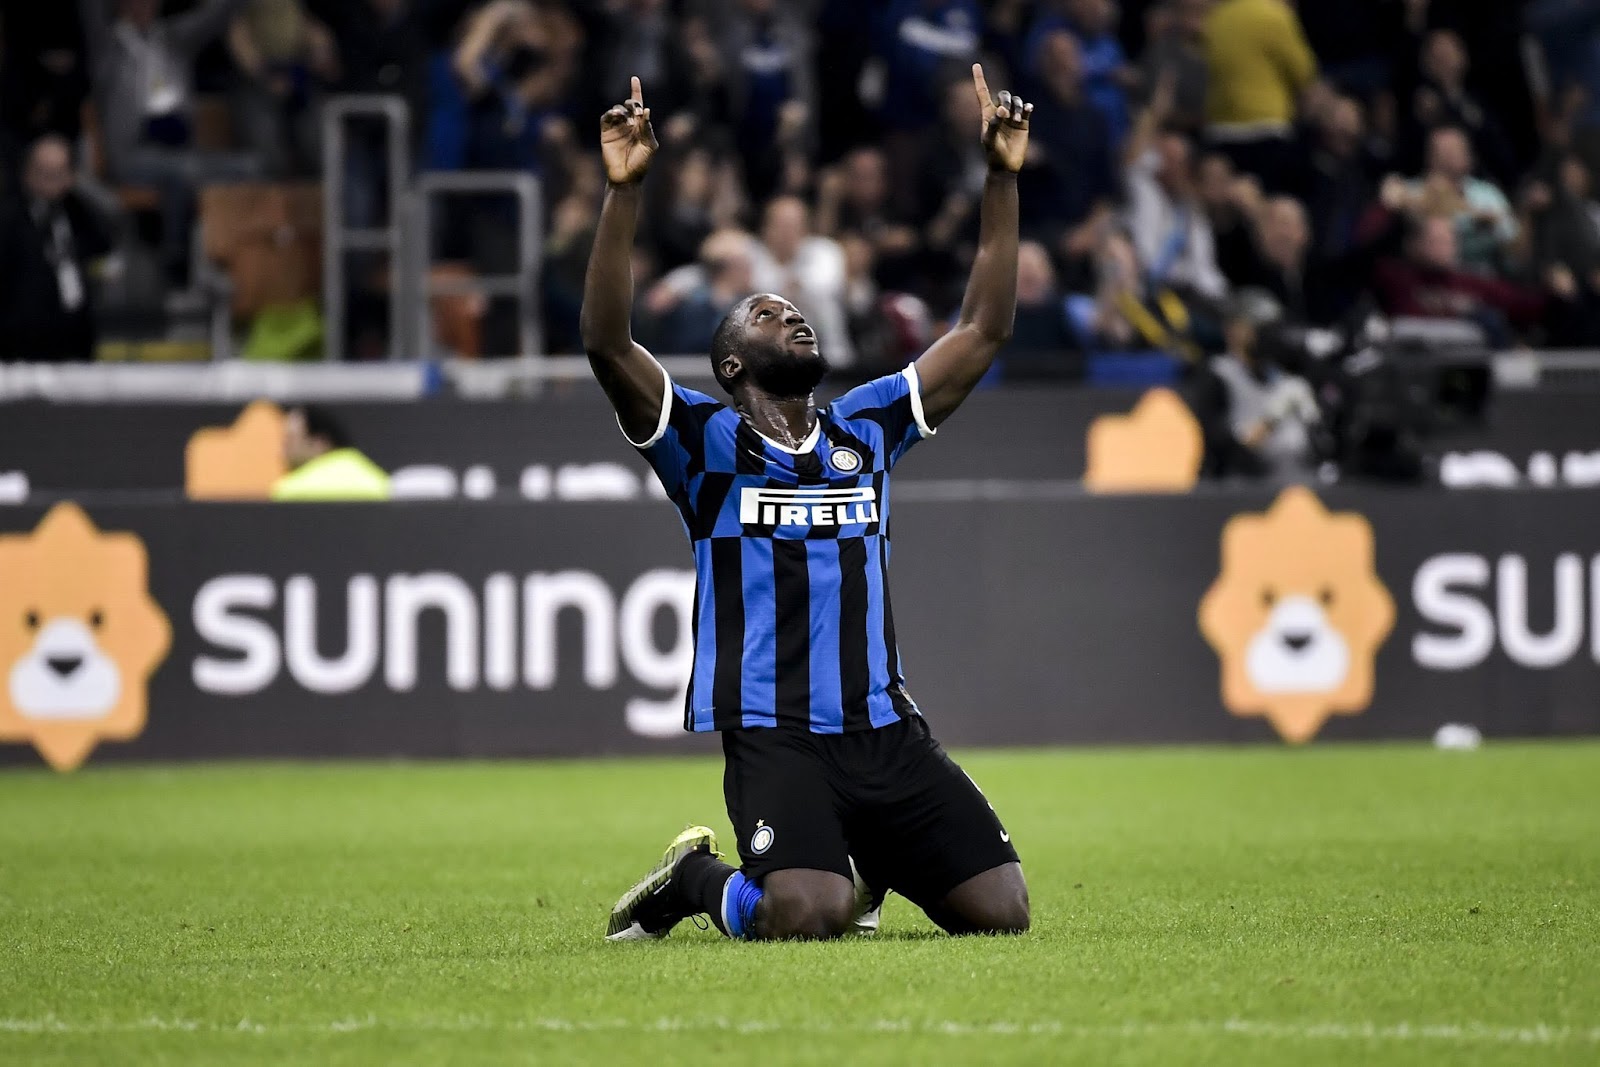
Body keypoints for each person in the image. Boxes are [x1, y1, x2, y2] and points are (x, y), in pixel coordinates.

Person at [585, 71, 1029, 942]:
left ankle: (866, 850)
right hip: (774, 733)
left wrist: (1001, 178)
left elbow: (984, 329)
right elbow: (606, 341)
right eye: (765, 313)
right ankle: (696, 877)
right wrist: (624, 192)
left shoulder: (867, 426)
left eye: (794, 310)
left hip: (885, 727)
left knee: (1000, 912)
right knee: (807, 914)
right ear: (731, 365)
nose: (791, 316)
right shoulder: (703, 444)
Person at [79, 0, 261, 285]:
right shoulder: (108, 47)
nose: (144, 6)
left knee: (250, 167)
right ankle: (177, 262)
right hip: (132, 154)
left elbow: (215, 16)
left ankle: (233, 265)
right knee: (184, 173)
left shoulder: (173, 39)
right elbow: (89, 9)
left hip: (180, 150)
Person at [0, 136, 114, 363]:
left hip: (75, 337)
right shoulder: (9, 218)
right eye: (44, 172)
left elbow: (106, 241)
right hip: (22, 342)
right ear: (27, 173)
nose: (51, 181)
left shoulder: (78, 212)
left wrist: (81, 190)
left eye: (59, 173)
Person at [1201, 0, 1319, 192]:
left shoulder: (1215, 18)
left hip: (1219, 132)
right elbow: (1305, 73)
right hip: (1267, 129)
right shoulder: (1275, 15)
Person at [271, 405, 391, 501]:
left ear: (319, 443)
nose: (282, 451)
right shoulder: (379, 484)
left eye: (290, 440)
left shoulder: (291, 491)